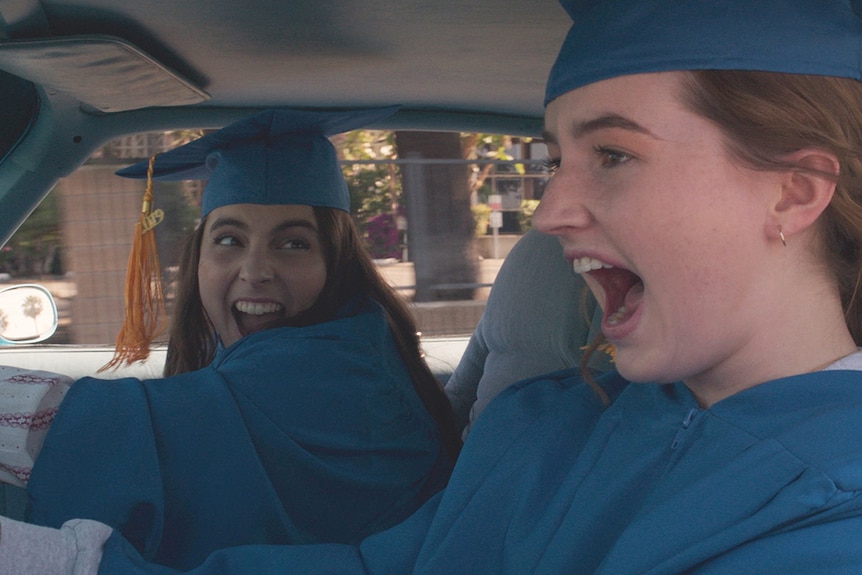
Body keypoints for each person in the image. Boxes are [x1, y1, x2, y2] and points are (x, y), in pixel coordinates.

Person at [4, 0, 862, 572]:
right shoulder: (549, 423)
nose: (552, 209)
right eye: (554, 160)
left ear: (793, 192)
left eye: (613, 155)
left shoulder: (827, 520)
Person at [2, 107, 460, 571]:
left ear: (335, 262)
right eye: (229, 240)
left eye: (294, 243)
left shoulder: (338, 375)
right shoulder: (358, 338)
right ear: (198, 257)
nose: (256, 271)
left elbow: (125, 429)